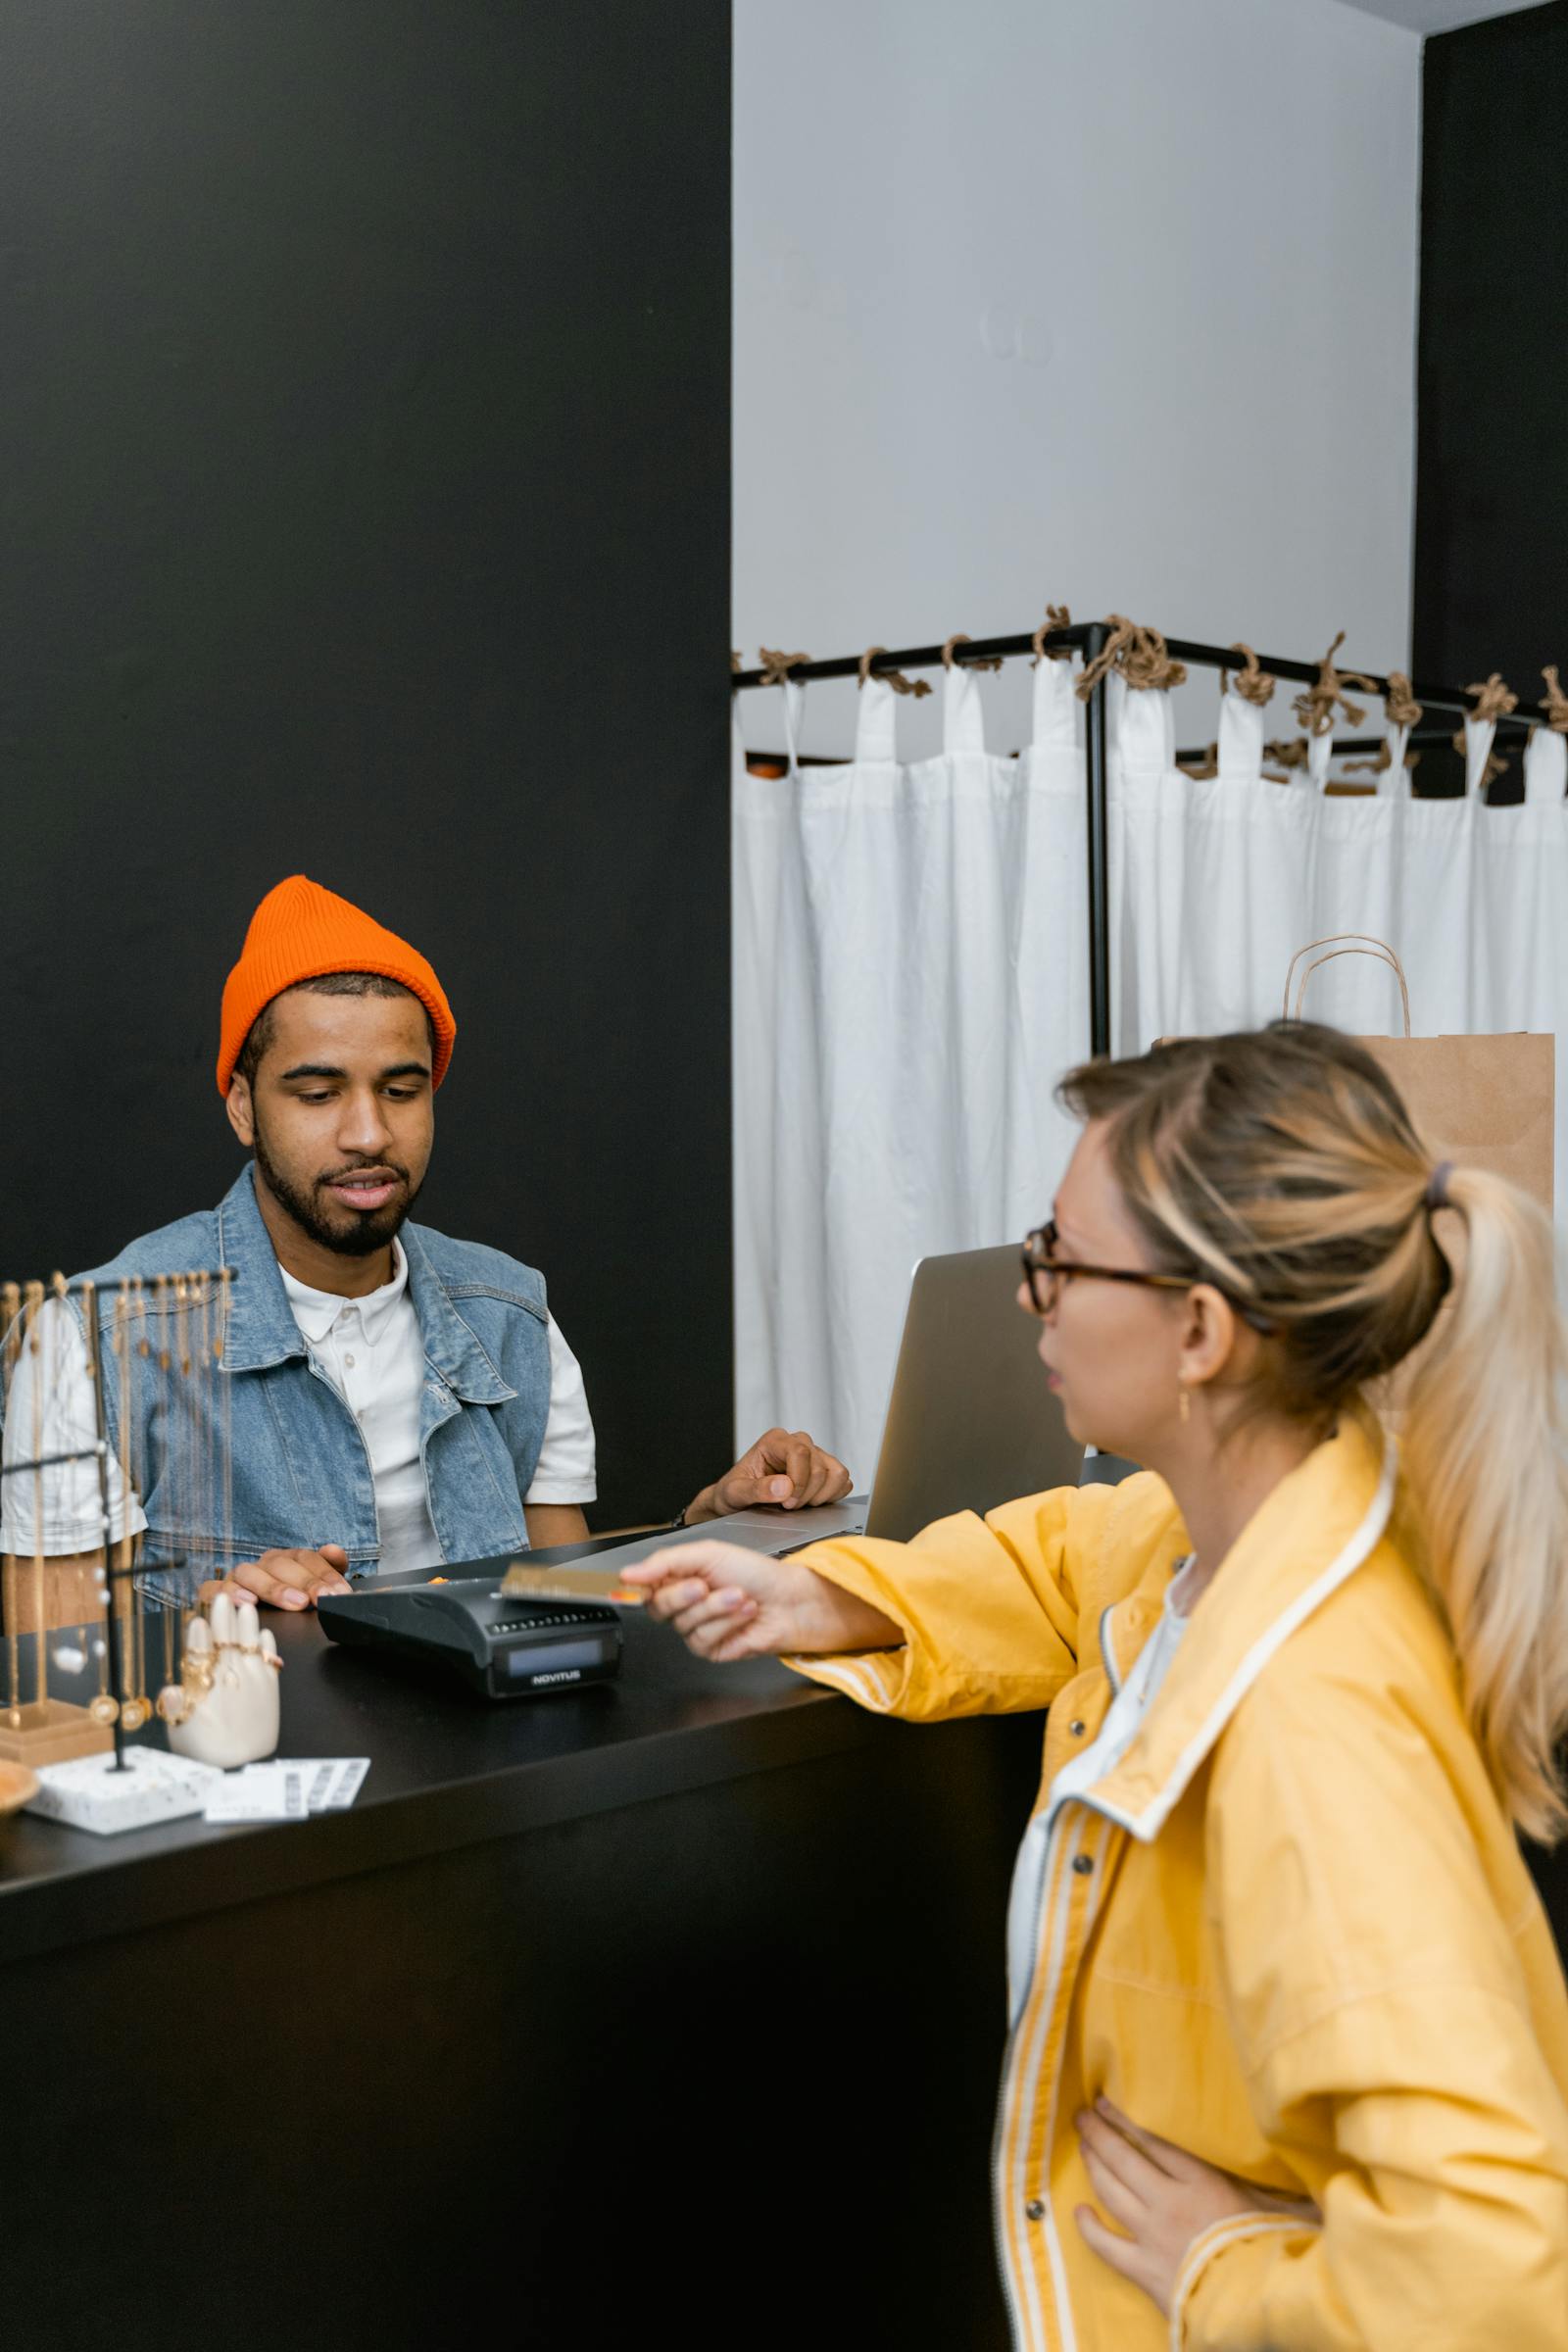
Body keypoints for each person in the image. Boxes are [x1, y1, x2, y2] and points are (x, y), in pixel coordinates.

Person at [626, 1021, 1568, 2350]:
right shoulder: (1233, 1530)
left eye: (1062, 1259)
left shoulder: (1308, 1720)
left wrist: (1223, 2275)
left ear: (1200, 1331)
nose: (1034, 1295)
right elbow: (1065, 1556)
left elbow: (1493, 2281)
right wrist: (829, 1595)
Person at [0, 874, 848, 1616]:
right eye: (318, 1094)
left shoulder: (510, 1314)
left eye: (401, 1091)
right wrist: (211, 1632)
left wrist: (713, 1523)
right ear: (243, 1107)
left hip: (481, 1751)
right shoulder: (89, 1343)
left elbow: (560, 1604)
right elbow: (62, 1683)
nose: (368, 1133)